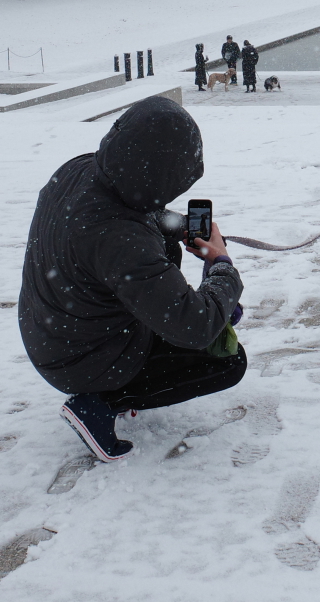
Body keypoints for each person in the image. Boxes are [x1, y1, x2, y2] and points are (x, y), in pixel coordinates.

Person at [17, 96, 245, 461]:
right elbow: (196, 326)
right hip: (78, 358)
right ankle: (101, 404)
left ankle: (111, 382)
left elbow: (131, 215)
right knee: (226, 359)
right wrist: (222, 267)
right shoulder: (122, 241)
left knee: (188, 299)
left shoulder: (81, 169)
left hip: (49, 328)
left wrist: (180, 227)